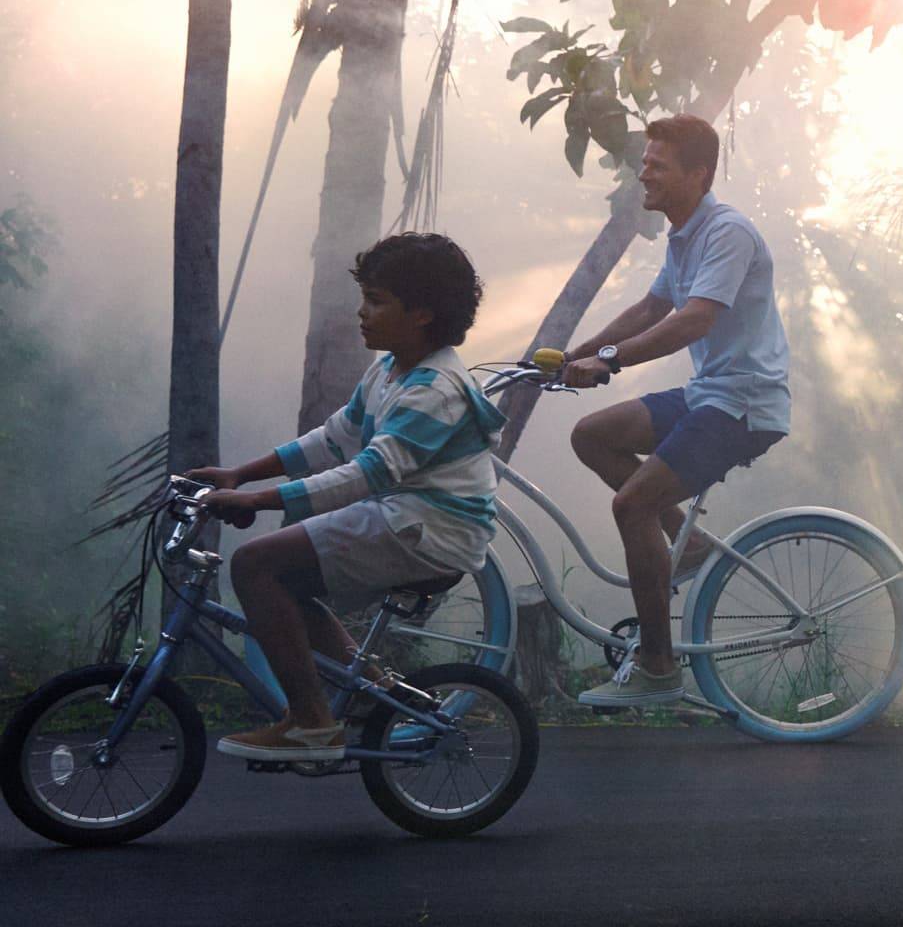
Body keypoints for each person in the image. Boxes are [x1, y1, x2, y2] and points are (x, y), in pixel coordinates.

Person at [187, 233, 505, 761]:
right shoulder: (390, 368)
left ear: (422, 312)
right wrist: (240, 474)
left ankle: (311, 723)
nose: (362, 313)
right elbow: (334, 438)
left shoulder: (433, 389)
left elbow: (369, 474)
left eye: (377, 301)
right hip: (407, 517)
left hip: (430, 530)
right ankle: (370, 688)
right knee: (280, 576)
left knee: (254, 565)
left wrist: (261, 501)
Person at [561, 113, 791, 707]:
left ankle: (660, 669)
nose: (644, 175)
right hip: (709, 392)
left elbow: (694, 318)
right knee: (593, 435)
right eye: (646, 163)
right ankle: (685, 546)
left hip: (743, 404)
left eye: (658, 166)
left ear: (699, 173)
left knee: (632, 504)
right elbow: (651, 307)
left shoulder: (728, 233)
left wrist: (608, 362)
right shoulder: (685, 234)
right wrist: (573, 355)